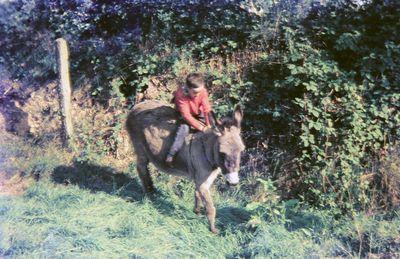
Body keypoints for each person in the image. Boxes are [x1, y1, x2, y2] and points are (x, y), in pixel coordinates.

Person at [166, 72, 213, 164]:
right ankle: (171, 154)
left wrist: (208, 125)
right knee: (183, 130)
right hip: (183, 114)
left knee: (212, 128)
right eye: (195, 92)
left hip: (197, 111)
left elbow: (207, 109)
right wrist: (202, 128)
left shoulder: (202, 91)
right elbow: (186, 115)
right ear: (188, 88)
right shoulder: (181, 94)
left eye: (200, 92)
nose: (198, 94)